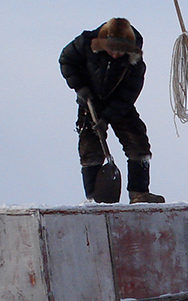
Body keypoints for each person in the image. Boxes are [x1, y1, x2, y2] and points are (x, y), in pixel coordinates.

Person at [59, 17, 165, 204]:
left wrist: (106, 118)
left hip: (119, 103)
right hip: (89, 100)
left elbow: (128, 95)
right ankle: (94, 197)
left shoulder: (136, 64)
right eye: (112, 50)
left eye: (120, 52)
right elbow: (66, 60)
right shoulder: (85, 42)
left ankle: (139, 193)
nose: (116, 55)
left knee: (138, 142)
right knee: (90, 148)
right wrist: (80, 87)